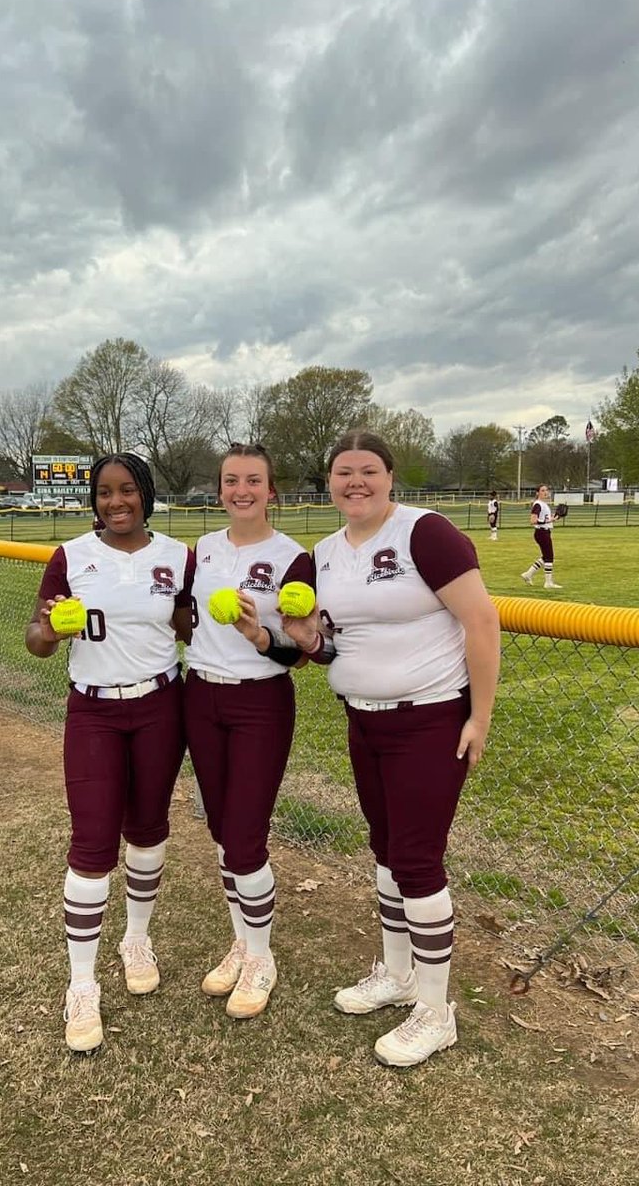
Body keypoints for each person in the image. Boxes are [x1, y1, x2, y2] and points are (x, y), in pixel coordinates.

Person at [281, 431, 500, 1067]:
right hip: (365, 721)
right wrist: (304, 639)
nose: (356, 481)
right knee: (385, 851)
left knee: (416, 858)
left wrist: (478, 718)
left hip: (430, 718)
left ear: (389, 476)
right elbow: (331, 644)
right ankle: (400, 975)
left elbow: (481, 622)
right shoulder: (324, 553)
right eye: (344, 472)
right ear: (329, 482)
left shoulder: (424, 533)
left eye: (368, 471)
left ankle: (437, 1011)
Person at [25, 453, 194, 1054]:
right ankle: (81, 985)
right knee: (92, 845)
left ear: (146, 494)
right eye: (103, 493)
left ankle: (136, 939)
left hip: (158, 707)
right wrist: (47, 631)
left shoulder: (177, 557)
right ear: (93, 500)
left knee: (148, 829)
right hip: (93, 710)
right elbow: (37, 642)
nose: (115, 502)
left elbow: (188, 627)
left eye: (127, 491)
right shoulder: (72, 557)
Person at [184, 443, 314, 1020]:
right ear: (220, 490)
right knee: (219, 829)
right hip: (200, 694)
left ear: (272, 490)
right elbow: (174, 613)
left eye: (253, 480)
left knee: (245, 834)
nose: (242, 490)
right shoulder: (203, 549)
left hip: (259, 699)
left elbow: (299, 652)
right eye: (231, 480)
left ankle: (261, 956)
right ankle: (242, 940)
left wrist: (259, 634)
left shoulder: (294, 557)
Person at [520, 484, 562, 588]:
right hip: (541, 532)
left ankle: (528, 574)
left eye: (546, 490)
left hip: (544, 531)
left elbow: (545, 519)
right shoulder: (538, 504)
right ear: (537, 493)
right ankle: (548, 582)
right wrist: (549, 520)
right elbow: (533, 521)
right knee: (549, 557)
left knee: (545, 556)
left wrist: (553, 519)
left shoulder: (543, 504)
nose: (545, 492)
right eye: (542, 490)